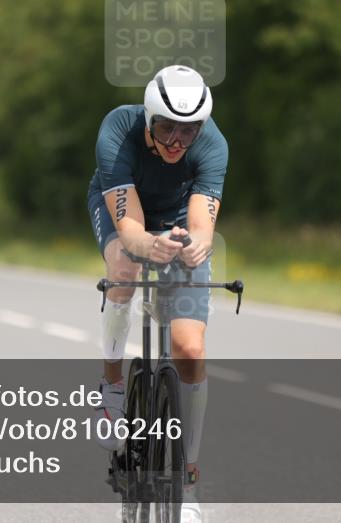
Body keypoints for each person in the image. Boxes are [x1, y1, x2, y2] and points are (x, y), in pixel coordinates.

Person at [87, 65, 228, 494]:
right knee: (125, 270)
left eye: (188, 132)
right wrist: (149, 246)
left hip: (178, 218)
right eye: (166, 128)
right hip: (123, 210)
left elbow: (203, 226)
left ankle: (187, 475)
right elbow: (130, 228)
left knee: (189, 347)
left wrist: (197, 247)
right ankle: (112, 385)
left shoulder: (213, 144)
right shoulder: (118, 129)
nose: (175, 142)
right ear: (149, 118)